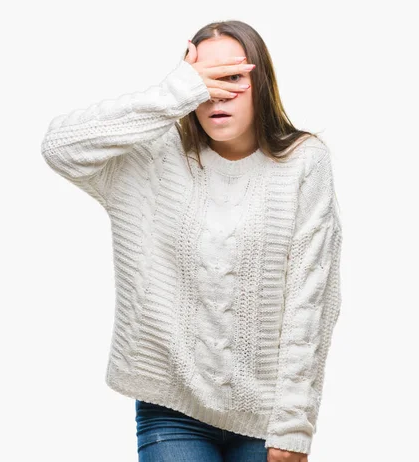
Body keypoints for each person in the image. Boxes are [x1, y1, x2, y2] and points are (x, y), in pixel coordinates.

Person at [40, 19, 342, 462]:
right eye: (205, 79)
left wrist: (294, 426)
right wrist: (177, 90)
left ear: (262, 85)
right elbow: (60, 147)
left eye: (233, 77)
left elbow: (309, 303)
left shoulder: (303, 162)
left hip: (265, 415)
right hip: (171, 408)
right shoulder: (153, 157)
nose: (216, 93)